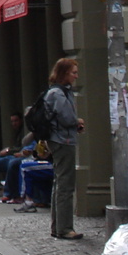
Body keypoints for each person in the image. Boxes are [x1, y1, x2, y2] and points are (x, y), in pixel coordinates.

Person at [44, 57, 85, 240]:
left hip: (59, 139)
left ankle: (58, 226)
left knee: (60, 183)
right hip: (63, 141)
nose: (76, 76)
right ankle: (65, 228)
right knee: (65, 185)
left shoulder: (57, 92)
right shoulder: (59, 94)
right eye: (73, 72)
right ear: (64, 73)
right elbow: (67, 118)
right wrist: (78, 121)